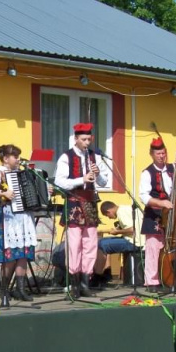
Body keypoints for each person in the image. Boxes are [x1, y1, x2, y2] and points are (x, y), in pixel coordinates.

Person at [54, 122, 109, 298]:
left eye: (89, 139)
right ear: (76, 139)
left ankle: (86, 281)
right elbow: (60, 182)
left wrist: (98, 174)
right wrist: (81, 179)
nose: (87, 143)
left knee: (91, 244)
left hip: (90, 203)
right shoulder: (66, 157)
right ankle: (74, 284)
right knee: (74, 244)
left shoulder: (95, 157)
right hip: (74, 202)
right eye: (83, 139)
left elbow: (103, 182)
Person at [139, 137, 176, 293]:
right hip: (154, 215)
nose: (162, 156)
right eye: (158, 153)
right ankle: (152, 282)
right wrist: (162, 203)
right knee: (154, 248)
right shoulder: (147, 173)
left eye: (163, 153)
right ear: (152, 155)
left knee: (175, 248)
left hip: (173, 216)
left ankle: (173, 278)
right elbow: (143, 196)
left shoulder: (173, 169)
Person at [0, 144, 38, 302]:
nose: (18, 159)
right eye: (15, 156)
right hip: (7, 216)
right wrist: (3, 193)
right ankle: (4, 290)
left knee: (23, 252)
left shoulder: (22, 173)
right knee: (10, 255)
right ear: (5, 158)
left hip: (23, 216)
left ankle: (20, 289)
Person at [92, 200, 145, 287]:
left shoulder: (121, 212)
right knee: (103, 242)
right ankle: (106, 274)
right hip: (135, 239)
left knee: (101, 244)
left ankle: (97, 277)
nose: (109, 218)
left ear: (109, 211)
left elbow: (132, 230)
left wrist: (117, 232)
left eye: (107, 215)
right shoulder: (125, 208)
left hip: (135, 242)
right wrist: (120, 228)